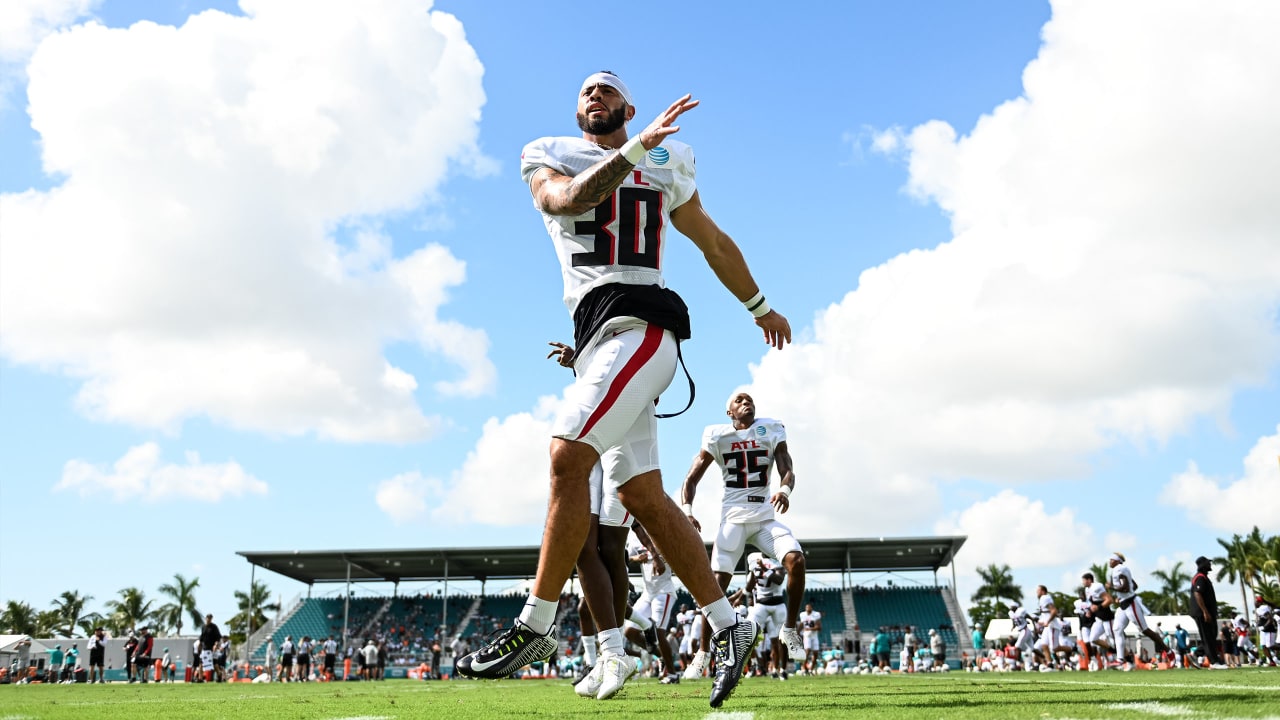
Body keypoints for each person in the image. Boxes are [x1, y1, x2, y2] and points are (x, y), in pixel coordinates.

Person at [457, 70, 789, 711]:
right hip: (599, 342)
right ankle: (729, 625)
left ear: (630, 108)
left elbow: (713, 241)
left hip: (641, 329)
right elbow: (567, 200)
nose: (596, 95)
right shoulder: (547, 153)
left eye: (609, 90)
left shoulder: (667, 160)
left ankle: (534, 627)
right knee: (641, 494)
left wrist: (760, 305)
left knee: (565, 455)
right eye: (587, 89)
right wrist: (635, 151)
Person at [681, 391, 807, 680]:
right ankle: (702, 654)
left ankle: (788, 630)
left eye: (749, 399)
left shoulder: (771, 428)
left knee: (796, 561)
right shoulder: (716, 435)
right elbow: (691, 478)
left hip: (764, 518)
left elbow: (787, 468)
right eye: (738, 400)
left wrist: (784, 491)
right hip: (733, 520)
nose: (745, 402)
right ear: (729, 413)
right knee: (713, 588)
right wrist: (687, 510)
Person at [1108, 553, 1171, 660]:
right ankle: (1120, 659)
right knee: (1117, 629)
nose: (1110, 561)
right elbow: (1134, 586)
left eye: (1112, 559)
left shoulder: (1119, 569)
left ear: (1117, 561)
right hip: (1124, 603)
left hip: (1130, 603)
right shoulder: (1121, 569)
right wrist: (1121, 596)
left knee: (1144, 630)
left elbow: (1126, 588)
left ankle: (1169, 651)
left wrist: (1113, 588)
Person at [799, 602, 824, 674]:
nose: (808, 609)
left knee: (816, 653)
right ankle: (804, 668)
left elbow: (819, 627)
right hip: (806, 635)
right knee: (807, 650)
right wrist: (797, 632)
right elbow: (801, 625)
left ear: (811, 608)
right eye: (806, 607)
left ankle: (811, 669)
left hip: (814, 636)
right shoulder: (802, 614)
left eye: (809, 607)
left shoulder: (816, 614)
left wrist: (810, 629)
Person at [1256, 595, 1279, 666]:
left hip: (1269, 630)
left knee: (1270, 646)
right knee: (1263, 646)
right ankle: (1272, 661)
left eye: (1256, 601)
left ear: (1259, 602)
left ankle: (1272, 661)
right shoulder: (1259, 609)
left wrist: (1264, 626)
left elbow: (1270, 619)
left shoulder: (1263, 608)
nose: (1255, 602)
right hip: (1263, 631)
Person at [200, 615, 222, 682]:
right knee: (201, 663)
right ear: (206, 618)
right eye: (207, 618)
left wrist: (216, 644)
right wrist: (199, 644)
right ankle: (200, 678)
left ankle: (219, 675)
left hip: (212, 648)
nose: (208, 619)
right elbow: (201, 637)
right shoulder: (203, 627)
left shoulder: (214, 627)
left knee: (215, 664)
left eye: (210, 618)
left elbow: (218, 637)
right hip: (205, 648)